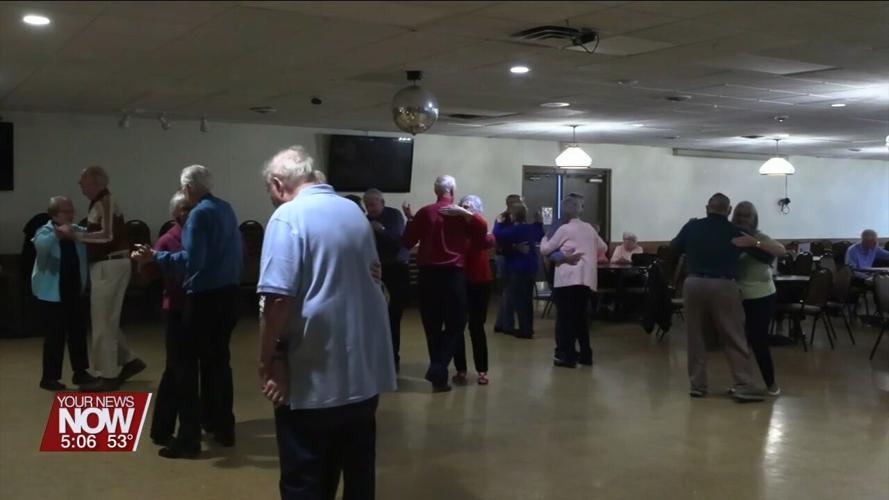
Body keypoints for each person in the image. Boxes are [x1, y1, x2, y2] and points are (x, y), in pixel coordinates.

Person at [256, 146, 396, 500]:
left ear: (277, 183)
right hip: (362, 378)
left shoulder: (288, 217)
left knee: (306, 481)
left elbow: (278, 299)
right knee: (358, 476)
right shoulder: (353, 212)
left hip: (314, 379)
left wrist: (268, 361)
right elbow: (374, 279)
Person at [132, 165, 243, 458]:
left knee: (184, 367)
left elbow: (193, 262)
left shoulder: (200, 214)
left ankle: (189, 438)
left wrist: (156, 256)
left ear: (188, 188)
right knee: (219, 363)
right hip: (230, 295)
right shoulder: (226, 208)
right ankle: (224, 427)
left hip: (204, 298)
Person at [670, 193, 773, 403]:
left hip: (694, 283)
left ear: (707, 207)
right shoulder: (735, 231)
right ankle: (743, 385)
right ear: (728, 210)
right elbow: (766, 257)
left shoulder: (692, 227)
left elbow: (673, 248)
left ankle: (697, 386)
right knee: (733, 335)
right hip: (724, 285)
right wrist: (755, 244)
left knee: (695, 336)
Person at [402, 175, 482, 392]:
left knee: (432, 326)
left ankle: (439, 377)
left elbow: (407, 242)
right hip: (453, 274)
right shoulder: (460, 214)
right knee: (456, 324)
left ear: (435, 191)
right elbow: (482, 236)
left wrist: (410, 220)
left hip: (427, 274)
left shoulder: (425, 212)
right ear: (453, 190)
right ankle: (438, 368)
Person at [69, 166, 145, 391]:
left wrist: (76, 235)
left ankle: (108, 375)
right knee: (106, 319)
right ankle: (129, 360)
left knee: (103, 322)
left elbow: (108, 235)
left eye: (84, 181)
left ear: (97, 183)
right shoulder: (101, 203)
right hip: (108, 264)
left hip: (110, 265)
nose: (80, 186)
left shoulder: (106, 202)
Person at [141, 192, 193, 445]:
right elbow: (149, 272)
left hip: (194, 307)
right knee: (175, 369)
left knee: (185, 369)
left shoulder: (196, 235)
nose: (188, 212)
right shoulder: (167, 240)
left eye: (190, 208)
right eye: (183, 209)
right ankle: (162, 428)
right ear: (174, 214)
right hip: (175, 307)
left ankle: (187, 422)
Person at [31, 196, 97, 391]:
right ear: (54, 214)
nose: (71, 214)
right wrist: (58, 234)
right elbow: (41, 248)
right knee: (55, 336)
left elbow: (92, 236)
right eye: (67, 211)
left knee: (78, 333)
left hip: (75, 290)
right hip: (53, 294)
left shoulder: (77, 230)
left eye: (72, 211)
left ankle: (81, 372)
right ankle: (49, 377)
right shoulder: (45, 231)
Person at [540, 195, 606, 367]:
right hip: (586, 279)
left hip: (567, 279)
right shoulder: (589, 229)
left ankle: (568, 356)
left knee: (565, 319)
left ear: (566, 210)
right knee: (581, 318)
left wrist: (545, 237)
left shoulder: (564, 229)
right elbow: (603, 247)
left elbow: (546, 249)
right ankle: (586, 355)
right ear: (579, 210)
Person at [731, 201, 785, 397]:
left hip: (762, 295)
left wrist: (755, 243)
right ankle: (743, 383)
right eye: (739, 216)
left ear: (754, 219)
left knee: (758, 340)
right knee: (738, 342)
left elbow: (781, 250)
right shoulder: (731, 238)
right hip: (737, 296)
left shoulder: (761, 237)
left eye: (747, 216)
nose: (743, 219)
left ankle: (771, 383)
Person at [364, 188, 409, 374]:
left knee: (393, 317)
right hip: (375, 272)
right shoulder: (366, 220)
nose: (370, 209)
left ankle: (393, 359)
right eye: (367, 205)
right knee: (374, 317)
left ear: (381, 202)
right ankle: (375, 358)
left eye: (373, 204)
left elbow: (398, 242)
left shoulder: (393, 215)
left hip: (396, 270)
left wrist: (380, 230)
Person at [451, 195, 495, 385]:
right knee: (457, 327)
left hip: (479, 283)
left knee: (476, 327)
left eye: (470, 208)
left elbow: (482, 227)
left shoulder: (483, 233)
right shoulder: (457, 232)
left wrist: (467, 212)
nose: (466, 211)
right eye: (463, 207)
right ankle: (461, 369)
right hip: (459, 281)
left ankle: (482, 370)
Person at [493, 203, 544, 339]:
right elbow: (540, 234)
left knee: (519, 300)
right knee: (527, 300)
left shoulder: (513, 230)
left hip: (517, 268)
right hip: (531, 268)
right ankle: (528, 328)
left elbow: (497, 235)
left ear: (513, 216)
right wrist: (539, 223)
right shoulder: (530, 229)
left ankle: (524, 330)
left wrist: (498, 223)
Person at [494, 194, 523, 333]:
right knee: (508, 291)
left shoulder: (513, 218)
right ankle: (507, 325)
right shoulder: (504, 218)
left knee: (508, 292)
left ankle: (501, 323)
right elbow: (498, 239)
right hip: (505, 257)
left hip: (510, 257)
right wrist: (514, 247)